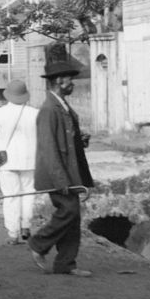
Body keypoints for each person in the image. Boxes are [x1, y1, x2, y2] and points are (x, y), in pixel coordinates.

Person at [27, 61, 95, 277]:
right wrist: (60, 180)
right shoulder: (48, 110)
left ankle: (66, 264)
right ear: (58, 81)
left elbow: (65, 139)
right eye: (69, 79)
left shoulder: (62, 105)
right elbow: (48, 148)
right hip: (58, 175)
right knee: (69, 211)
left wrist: (78, 139)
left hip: (71, 172)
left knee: (73, 219)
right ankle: (38, 244)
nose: (73, 83)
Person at [0, 80, 39, 245]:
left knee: (11, 196)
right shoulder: (35, 113)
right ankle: (26, 226)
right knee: (28, 194)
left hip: (6, 162)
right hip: (30, 160)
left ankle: (13, 233)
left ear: (8, 95)